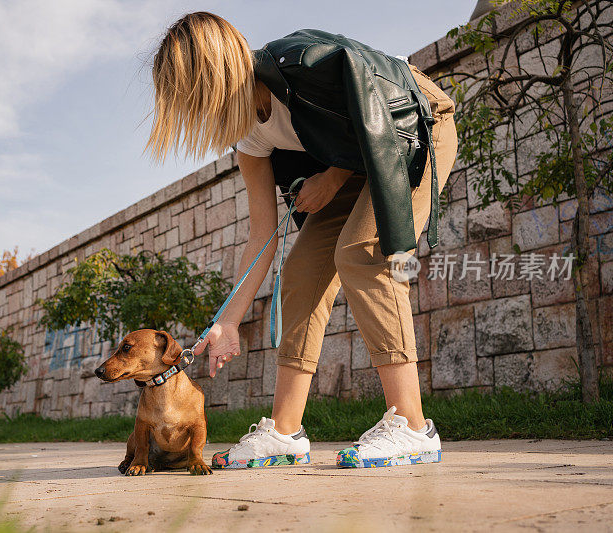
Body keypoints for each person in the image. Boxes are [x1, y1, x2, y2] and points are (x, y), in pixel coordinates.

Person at [145, 12, 458, 469]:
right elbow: (260, 236)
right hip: (358, 157)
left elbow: (376, 117)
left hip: (412, 127)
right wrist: (228, 322)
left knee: (360, 254)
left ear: (209, 75)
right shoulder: (247, 139)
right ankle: (285, 434)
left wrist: (331, 179)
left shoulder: (302, 65)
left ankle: (413, 427)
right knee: (301, 274)